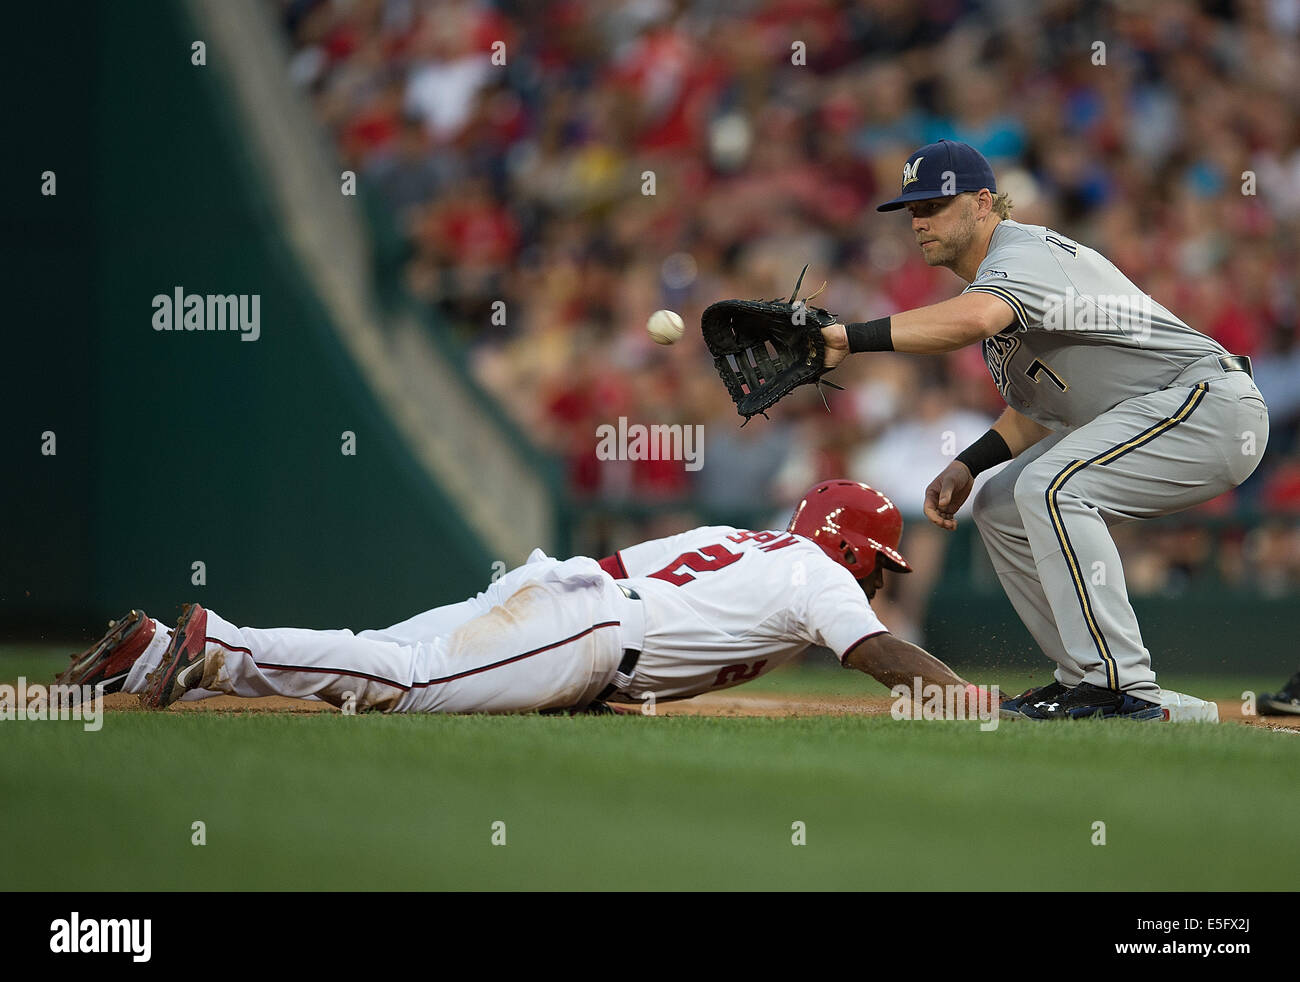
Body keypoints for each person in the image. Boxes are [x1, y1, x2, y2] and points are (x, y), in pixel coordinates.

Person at [820, 140, 1270, 720]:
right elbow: (1040, 410)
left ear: (984, 203)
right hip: (1156, 412)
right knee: (1003, 503)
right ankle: (1088, 679)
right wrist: (970, 464)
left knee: (1054, 486)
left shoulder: (1024, 250)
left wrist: (846, 338)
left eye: (935, 204)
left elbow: (975, 318)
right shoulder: (994, 299)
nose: (920, 220)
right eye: (913, 210)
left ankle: (1119, 684)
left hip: (1209, 403)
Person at [56, 481, 984, 716]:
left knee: (373, 650)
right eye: (878, 561)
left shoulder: (740, 538)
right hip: (588, 632)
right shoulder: (819, 575)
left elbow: (628, 567)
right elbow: (875, 654)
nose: (875, 575)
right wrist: (961, 694)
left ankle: (145, 653)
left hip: (569, 593)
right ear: (852, 547)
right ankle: (215, 644)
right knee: (407, 682)